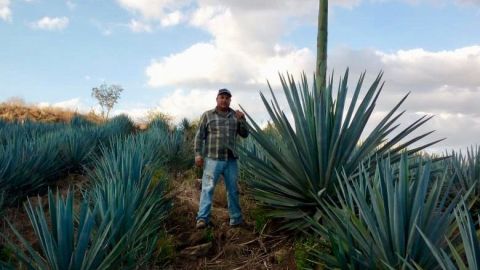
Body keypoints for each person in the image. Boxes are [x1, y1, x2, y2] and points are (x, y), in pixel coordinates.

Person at [194, 88, 249, 229]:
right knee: (208, 188)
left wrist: (242, 119)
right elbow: (199, 136)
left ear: (230, 100)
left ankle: (236, 219)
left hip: (231, 160)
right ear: (217, 99)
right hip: (213, 159)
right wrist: (198, 154)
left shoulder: (235, 116)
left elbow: (245, 134)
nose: (224, 100)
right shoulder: (207, 115)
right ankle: (202, 219)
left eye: (227, 98)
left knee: (233, 190)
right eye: (222, 97)